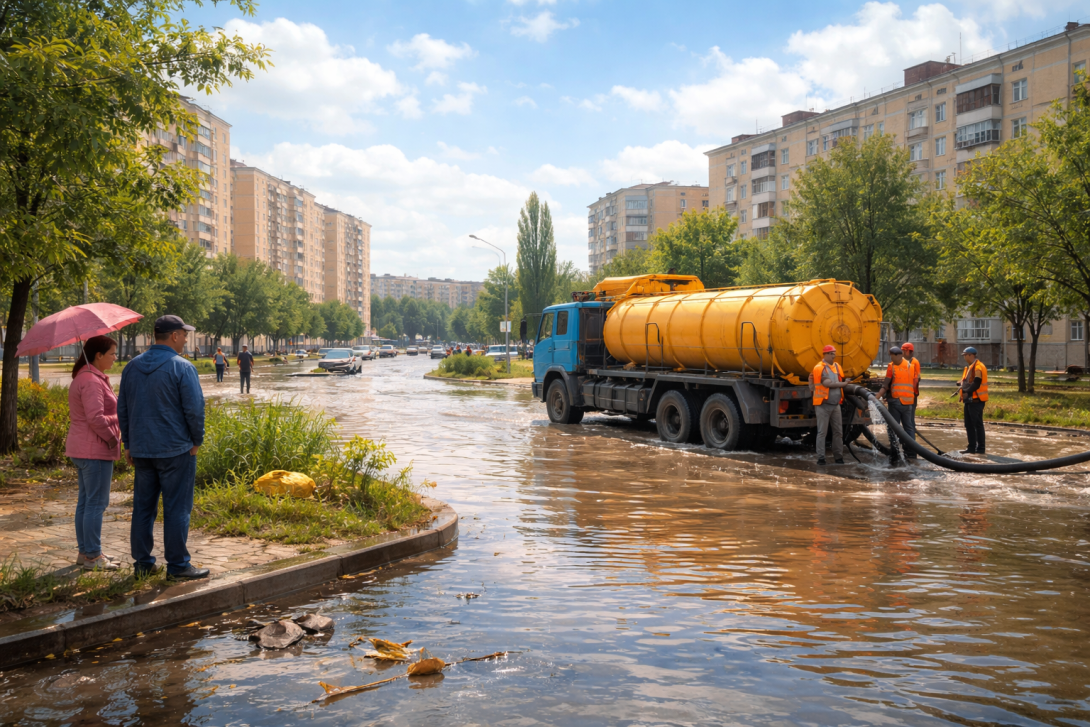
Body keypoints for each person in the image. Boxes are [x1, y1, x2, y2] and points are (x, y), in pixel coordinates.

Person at [117, 315, 209, 580]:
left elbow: (122, 408)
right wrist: (196, 441)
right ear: (174, 336)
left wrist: (128, 443)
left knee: (143, 509)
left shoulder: (131, 367)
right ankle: (179, 566)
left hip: (142, 450)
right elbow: (194, 410)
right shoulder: (182, 367)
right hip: (175, 450)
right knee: (177, 509)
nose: (186, 339)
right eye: (184, 334)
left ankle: (143, 564)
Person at [66, 335, 121, 571]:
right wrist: (113, 435)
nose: (115, 357)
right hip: (94, 450)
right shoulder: (91, 380)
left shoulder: (87, 377)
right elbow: (96, 418)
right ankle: (92, 556)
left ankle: (86, 552)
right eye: (111, 353)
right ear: (98, 356)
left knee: (86, 503)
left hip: (82, 448)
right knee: (96, 504)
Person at [877, 346, 918, 460]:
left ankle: (895, 453)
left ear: (897, 355)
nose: (891, 358)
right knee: (909, 428)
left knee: (893, 427)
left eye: (891, 356)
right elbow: (914, 383)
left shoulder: (892, 367)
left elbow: (885, 385)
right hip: (909, 401)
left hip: (896, 401)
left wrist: (877, 396)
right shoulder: (911, 366)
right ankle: (911, 452)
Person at [811, 345, 848, 465]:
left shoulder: (837, 366)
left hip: (836, 404)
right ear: (825, 354)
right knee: (822, 432)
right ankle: (821, 458)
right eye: (832, 353)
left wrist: (844, 383)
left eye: (834, 353)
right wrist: (844, 384)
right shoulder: (820, 368)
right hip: (823, 404)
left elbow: (839, 380)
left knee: (838, 432)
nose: (834, 355)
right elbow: (827, 384)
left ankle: (838, 457)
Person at [958, 346, 988, 455]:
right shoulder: (971, 366)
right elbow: (969, 380)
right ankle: (971, 448)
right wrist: (961, 384)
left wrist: (967, 390)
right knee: (969, 424)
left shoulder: (978, 367)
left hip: (976, 400)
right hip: (970, 400)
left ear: (971, 355)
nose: (964, 357)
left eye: (965, 355)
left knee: (977, 424)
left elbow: (977, 382)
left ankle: (980, 449)